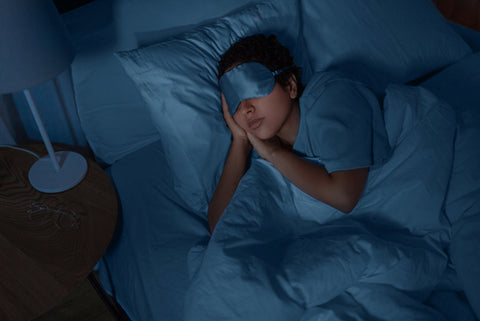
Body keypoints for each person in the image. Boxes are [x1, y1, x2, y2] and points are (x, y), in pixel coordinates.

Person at [208, 34, 390, 233]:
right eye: (234, 103)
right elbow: (219, 227)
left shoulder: (331, 95)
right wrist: (240, 142)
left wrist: (274, 154)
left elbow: (345, 197)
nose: (246, 109)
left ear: (290, 86)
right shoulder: (258, 149)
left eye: (253, 89)